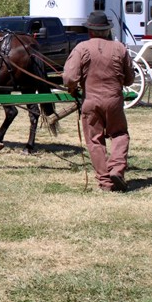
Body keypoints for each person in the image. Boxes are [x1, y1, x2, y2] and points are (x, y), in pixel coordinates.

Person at [63, 10, 135, 192]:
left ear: (90, 31)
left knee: (95, 140)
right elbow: (129, 79)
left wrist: (73, 88)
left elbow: (70, 77)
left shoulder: (82, 48)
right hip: (114, 101)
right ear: (106, 30)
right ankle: (117, 169)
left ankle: (105, 181)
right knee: (119, 134)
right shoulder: (120, 48)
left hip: (91, 101)